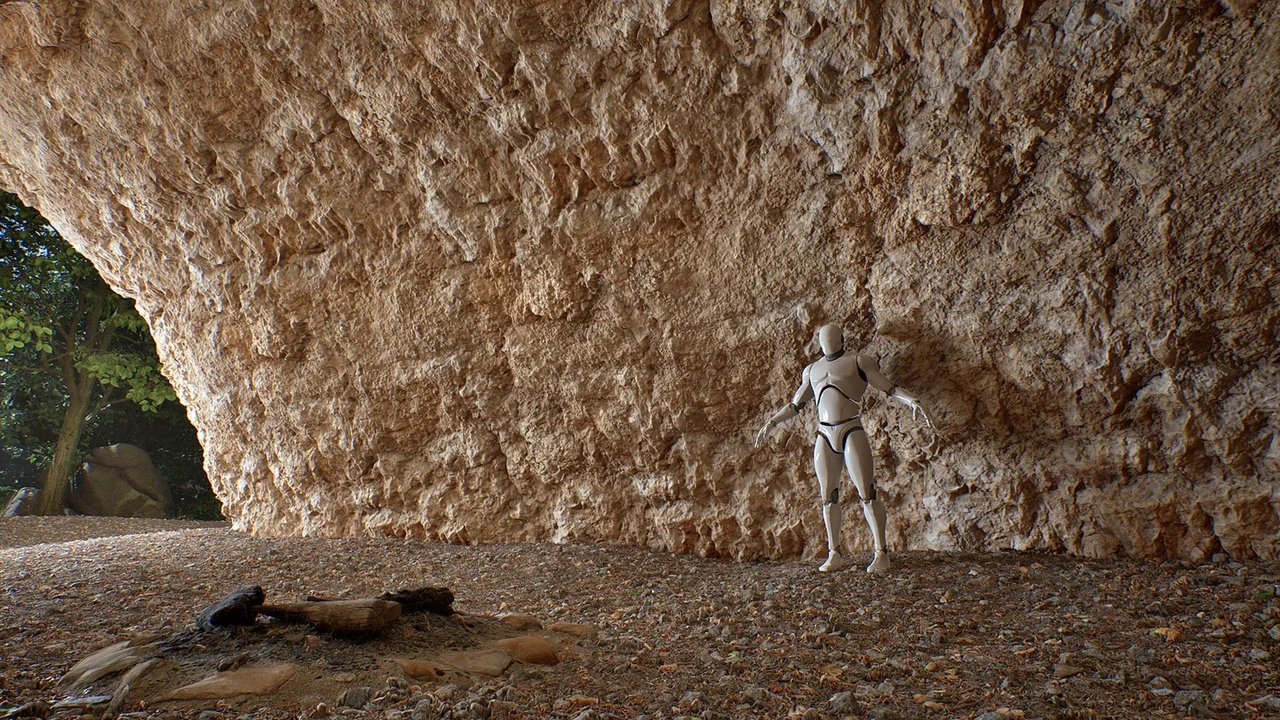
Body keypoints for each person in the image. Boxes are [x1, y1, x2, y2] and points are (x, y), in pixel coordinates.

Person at [755, 325, 932, 573]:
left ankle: (881, 552)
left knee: (867, 492)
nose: (827, 342)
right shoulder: (812, 370)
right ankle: (834, 553)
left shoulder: (858, 361)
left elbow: (889, 388)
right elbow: (795, 404)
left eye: (831, 337)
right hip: (824, 432)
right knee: (828, 496)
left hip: (851, 428)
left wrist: (912, 400)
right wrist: (772, 422)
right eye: (823, 338)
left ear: (841, 339)